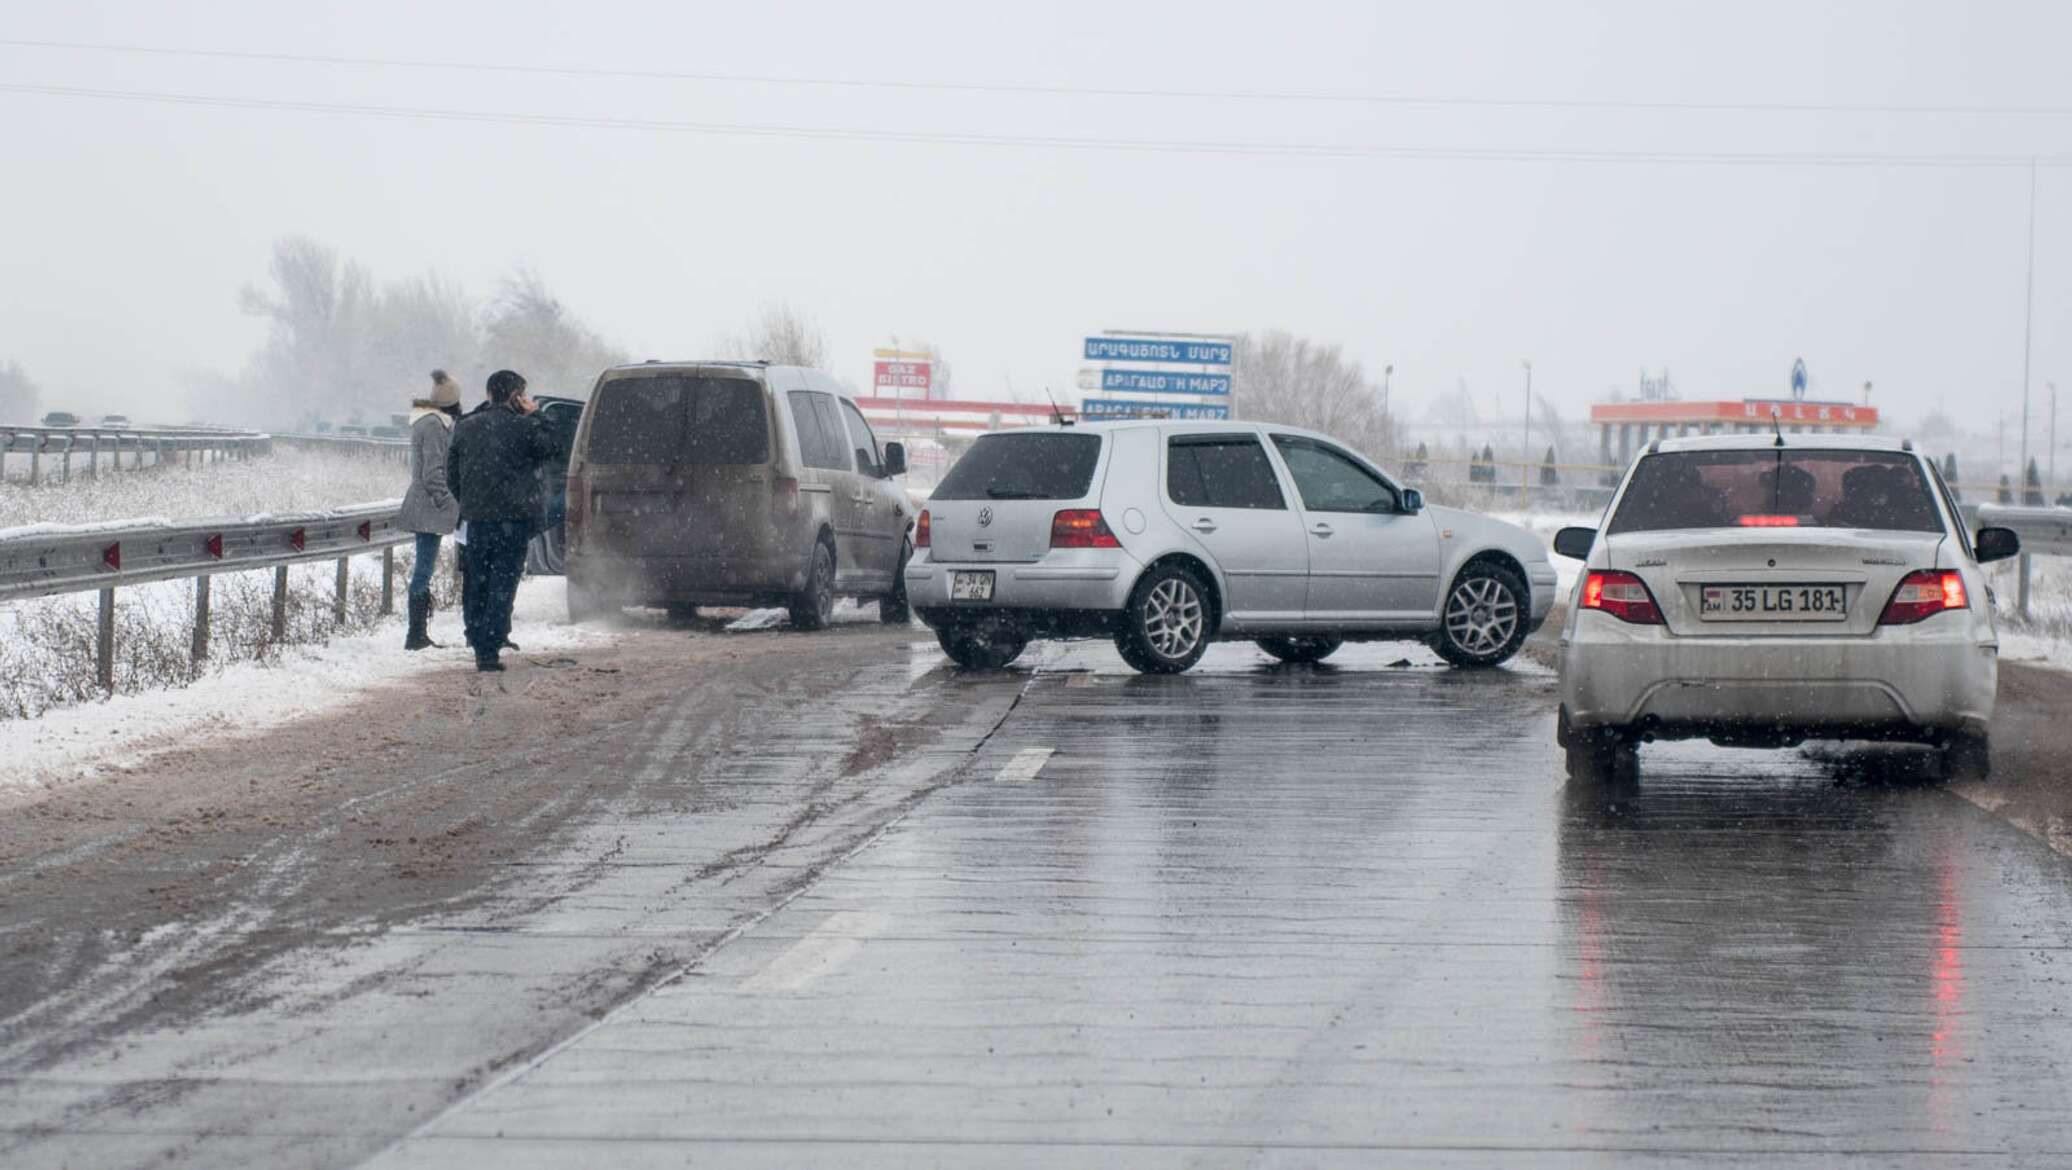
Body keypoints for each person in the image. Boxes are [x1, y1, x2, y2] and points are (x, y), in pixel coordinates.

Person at [447, 369, 554, 672]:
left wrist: (469, 501)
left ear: (488, 393)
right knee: (502, 583)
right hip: (514, 520)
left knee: (477, 580)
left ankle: (477, 639)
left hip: (477, 520)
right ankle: (490, 648)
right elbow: (552, 448)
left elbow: (451, 474)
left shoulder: (466, 426)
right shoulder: (524, 428)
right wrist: (538, 416)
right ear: (514, 396)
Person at [395, 370, 463, 650]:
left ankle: (418, 631)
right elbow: (433, 473)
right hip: (428, 507)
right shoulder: (435, 426)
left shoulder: (427, 422)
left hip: (425, 504)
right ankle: (416, 634)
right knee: (423, 570)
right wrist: (450, 504)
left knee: (424, 567)